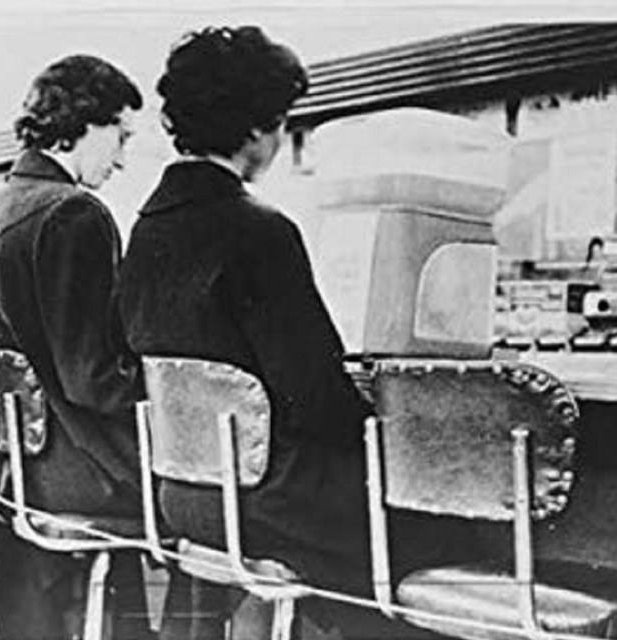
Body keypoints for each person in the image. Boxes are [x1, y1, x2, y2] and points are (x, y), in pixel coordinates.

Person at [119, 26, 478, 640]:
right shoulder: (260, 230)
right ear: (259, 128)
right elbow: (316, 400)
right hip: (269, 498)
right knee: (450, 532)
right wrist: (378, 419)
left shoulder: (146, 229)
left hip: (187, 496)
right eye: (282, 121)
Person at [0, 54, 152, 640]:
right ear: (84, 122)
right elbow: (94, 381)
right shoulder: (75, 214)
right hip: (77, 471)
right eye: (120, 136)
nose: (124, 158)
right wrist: (172, 389)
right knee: (213, 494)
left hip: (13, 471)